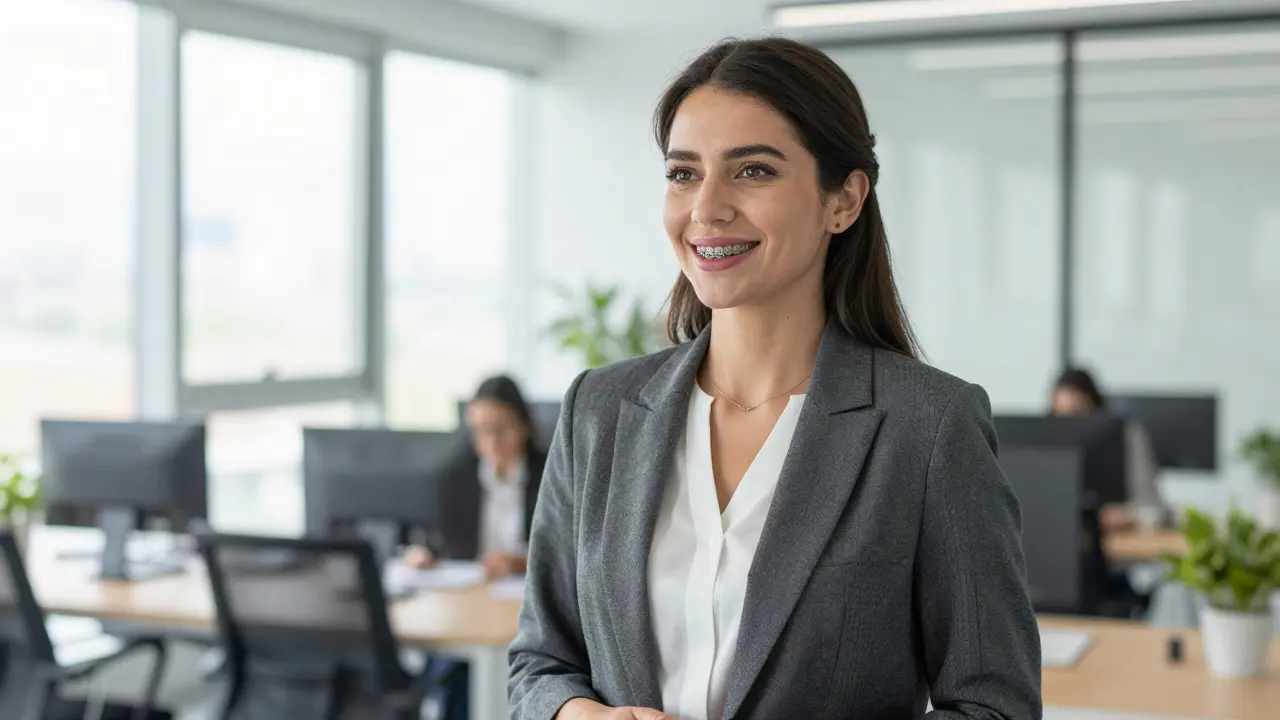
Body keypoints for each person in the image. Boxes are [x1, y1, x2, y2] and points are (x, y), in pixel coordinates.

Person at [509, 37, 1041, 720]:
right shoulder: (599, 411)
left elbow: (996, 706)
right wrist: (578, 715)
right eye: (683, 174)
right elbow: (540, 661)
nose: (707, 208)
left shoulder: (929, 427)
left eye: (753, 171)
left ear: (843, 201)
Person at [403, 374, 546, 580]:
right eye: (483, 430)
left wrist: (520, 563)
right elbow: (437, 540)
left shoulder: (550, 475)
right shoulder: (455, 476)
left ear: (524, 426)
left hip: (529, 591)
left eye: (502, 429)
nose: (492, 441)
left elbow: (564, 550)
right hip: (473, 589)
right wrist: (420, 553)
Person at [1050, 367, 1163, 531]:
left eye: (1076, 414)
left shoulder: (1127, 435)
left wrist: (1128, 516)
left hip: (1119, 543)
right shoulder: (1048, 444)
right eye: (1060, 416)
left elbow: (1153, 509)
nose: (1069, 426)